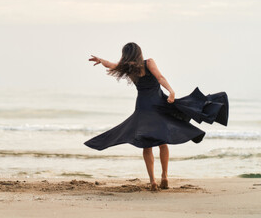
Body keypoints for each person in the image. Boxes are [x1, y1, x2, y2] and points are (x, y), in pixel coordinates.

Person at [85, 42, 229, 191]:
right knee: (163, 141)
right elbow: (160, 77)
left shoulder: (127, 68)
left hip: (143, 107)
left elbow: (112, 65)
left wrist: (101, 60)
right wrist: (171, 91)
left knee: (147, 145)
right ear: (139, 52)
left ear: (125, 54)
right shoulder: (148, 63)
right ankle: (165, 176)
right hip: (158, 104)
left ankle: (153, 181)